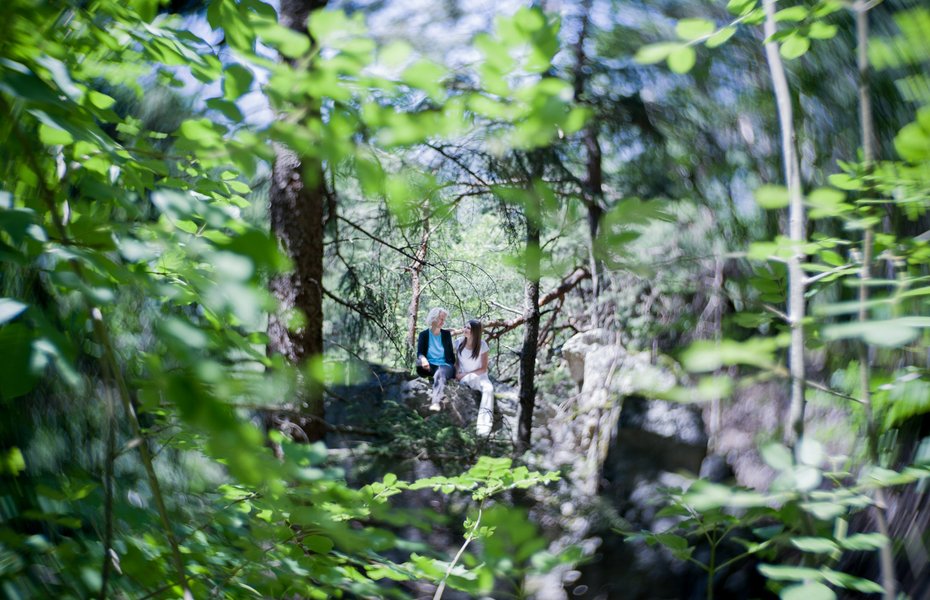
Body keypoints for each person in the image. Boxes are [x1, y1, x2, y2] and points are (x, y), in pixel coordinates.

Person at [455, 319, 495, 436]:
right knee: (471, 378)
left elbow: (483, 368)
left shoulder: (482, 345)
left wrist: (464, 374)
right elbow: (456, 363)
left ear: (475, 332)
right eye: (465, 327)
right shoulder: (458, 342)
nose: (465, 330)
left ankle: (484, 428)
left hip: (480, 377)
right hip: (465, 378)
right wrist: (457, 373)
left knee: (489, 389)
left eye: (468, 328)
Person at [416, 307, 456, 412]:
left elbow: (451, 356)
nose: (443, 322)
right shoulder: (423, 335)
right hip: (429, 366)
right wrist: (423, 359)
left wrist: (453, 367)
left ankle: (435, 402)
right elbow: (420, 353)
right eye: (441, 319)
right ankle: (433, 376)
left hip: (445, 366)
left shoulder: (446, 335)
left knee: (440, 372)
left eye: (444, 319)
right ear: (433, 319)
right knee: (419, 363)